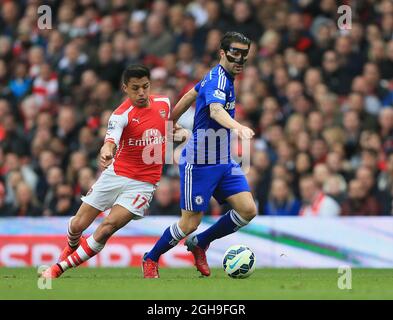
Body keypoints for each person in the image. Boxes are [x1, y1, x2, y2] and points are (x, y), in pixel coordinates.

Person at [142, 32, 257, 278]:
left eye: (244, 54)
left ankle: (201, 242)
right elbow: (215, 111)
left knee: (247, 210)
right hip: (199, 163)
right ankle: (151, 258)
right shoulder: (218, 81)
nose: (240, 59)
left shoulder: (219, 76)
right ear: (223, 53)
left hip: (223, 161)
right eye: (235, 53)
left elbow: (189, 96)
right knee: (189, 223)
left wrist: (170, 121)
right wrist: (238, 128)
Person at [41, 65, 171, 278]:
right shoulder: (121, 114)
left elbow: (167, 124)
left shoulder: (164, 103)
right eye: (135, 88)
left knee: (107, 228)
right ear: (125, 88)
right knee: (77, 224)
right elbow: (110, 139)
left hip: (143, 183)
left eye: (145, 87)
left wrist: (177, 131)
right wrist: (106, 150)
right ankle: (72, 245)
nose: (141, 93)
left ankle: (57, 269)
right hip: (116, 174)